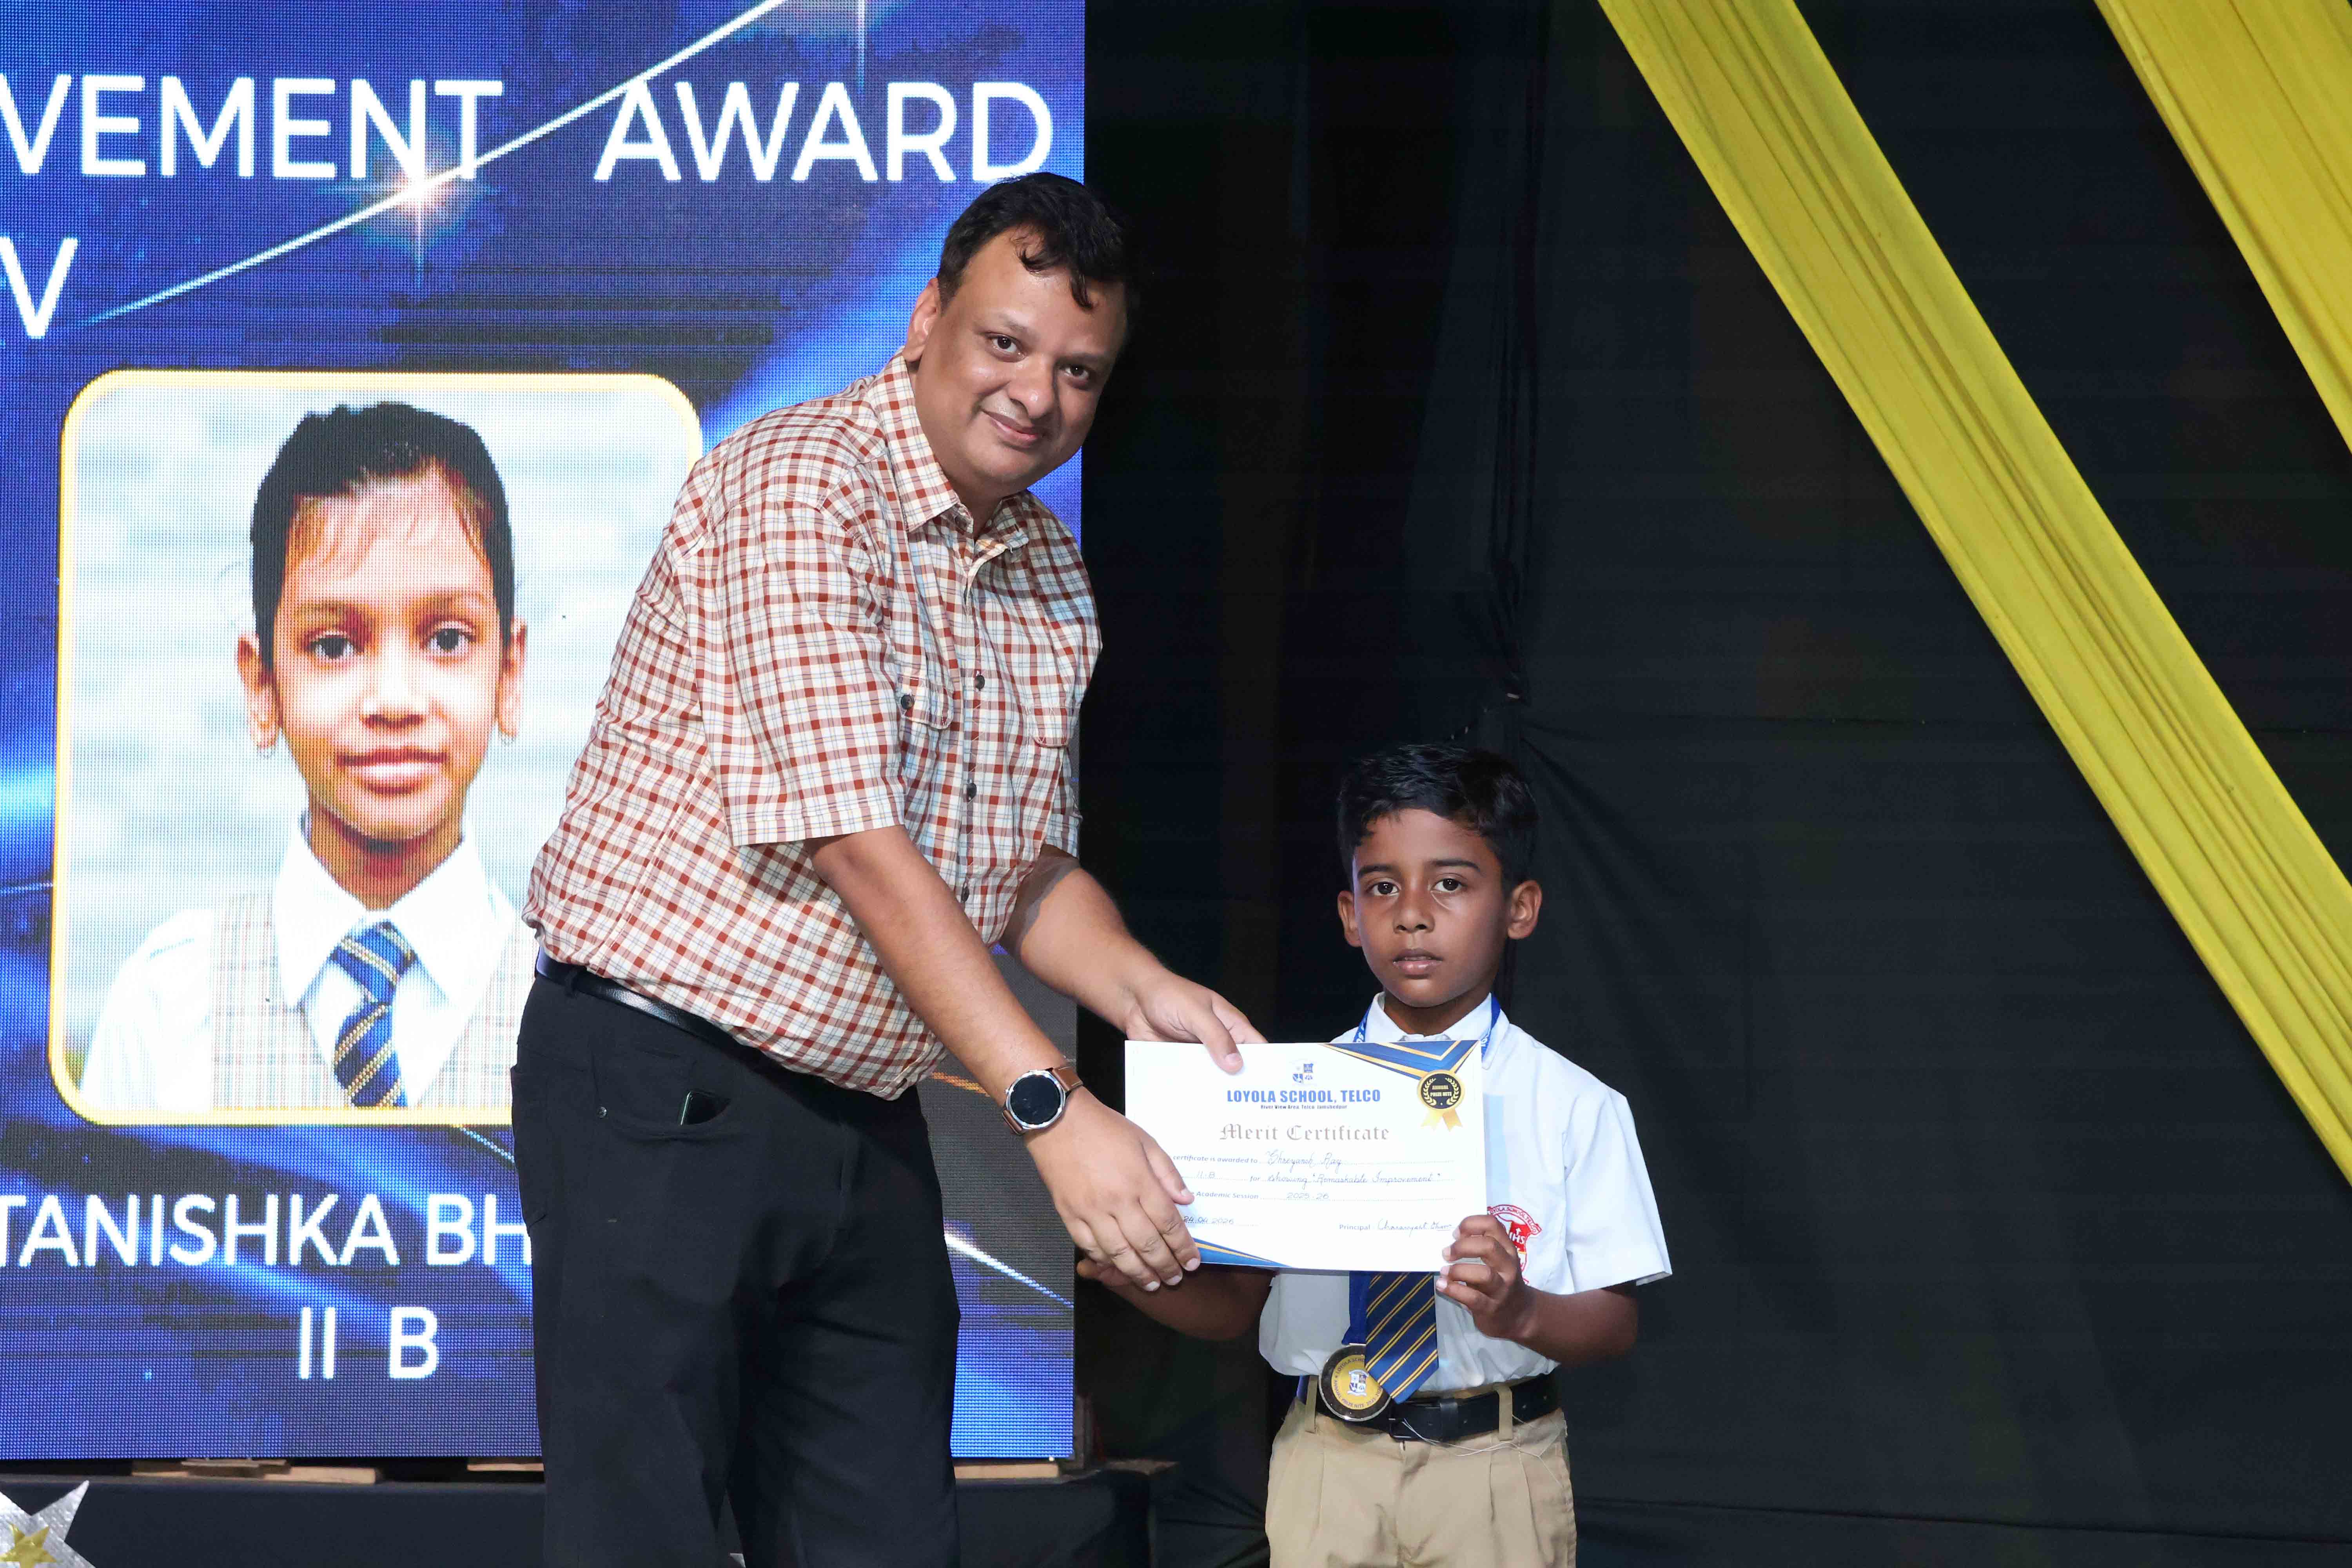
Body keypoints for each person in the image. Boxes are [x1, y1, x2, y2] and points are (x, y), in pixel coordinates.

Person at [515, 172, 1259, 1568]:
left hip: (864, 1113)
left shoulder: (1049, 573)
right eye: (1005, 343)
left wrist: (1143, 987)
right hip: (659, 1084)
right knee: (643, 1538)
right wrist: (1051, 1106)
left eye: (1079, 370)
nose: (1036, 394)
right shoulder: (803, 482)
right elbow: (857, 839)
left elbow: (1018, 869)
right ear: (925, 320)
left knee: (889, 1536)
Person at [1082, 743, 1672, 1567]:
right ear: (1350, 914)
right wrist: (1137, 1273)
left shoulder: (1575, 1104)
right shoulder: (1285, 1095)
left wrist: (1521, 1312)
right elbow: (1235, 1307)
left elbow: (1614, 1322)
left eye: (1452, 883)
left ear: (1520, 907)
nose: (1413, 914)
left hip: (1494, 1468)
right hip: (1328, 1464)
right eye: (1383, 887)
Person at [78, 402, 534, 1116]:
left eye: (447, 639)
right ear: (263, 686)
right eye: (334, 646)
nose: (393, 700)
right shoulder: (166, 1009)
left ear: (508, 674)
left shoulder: (589, 1022)